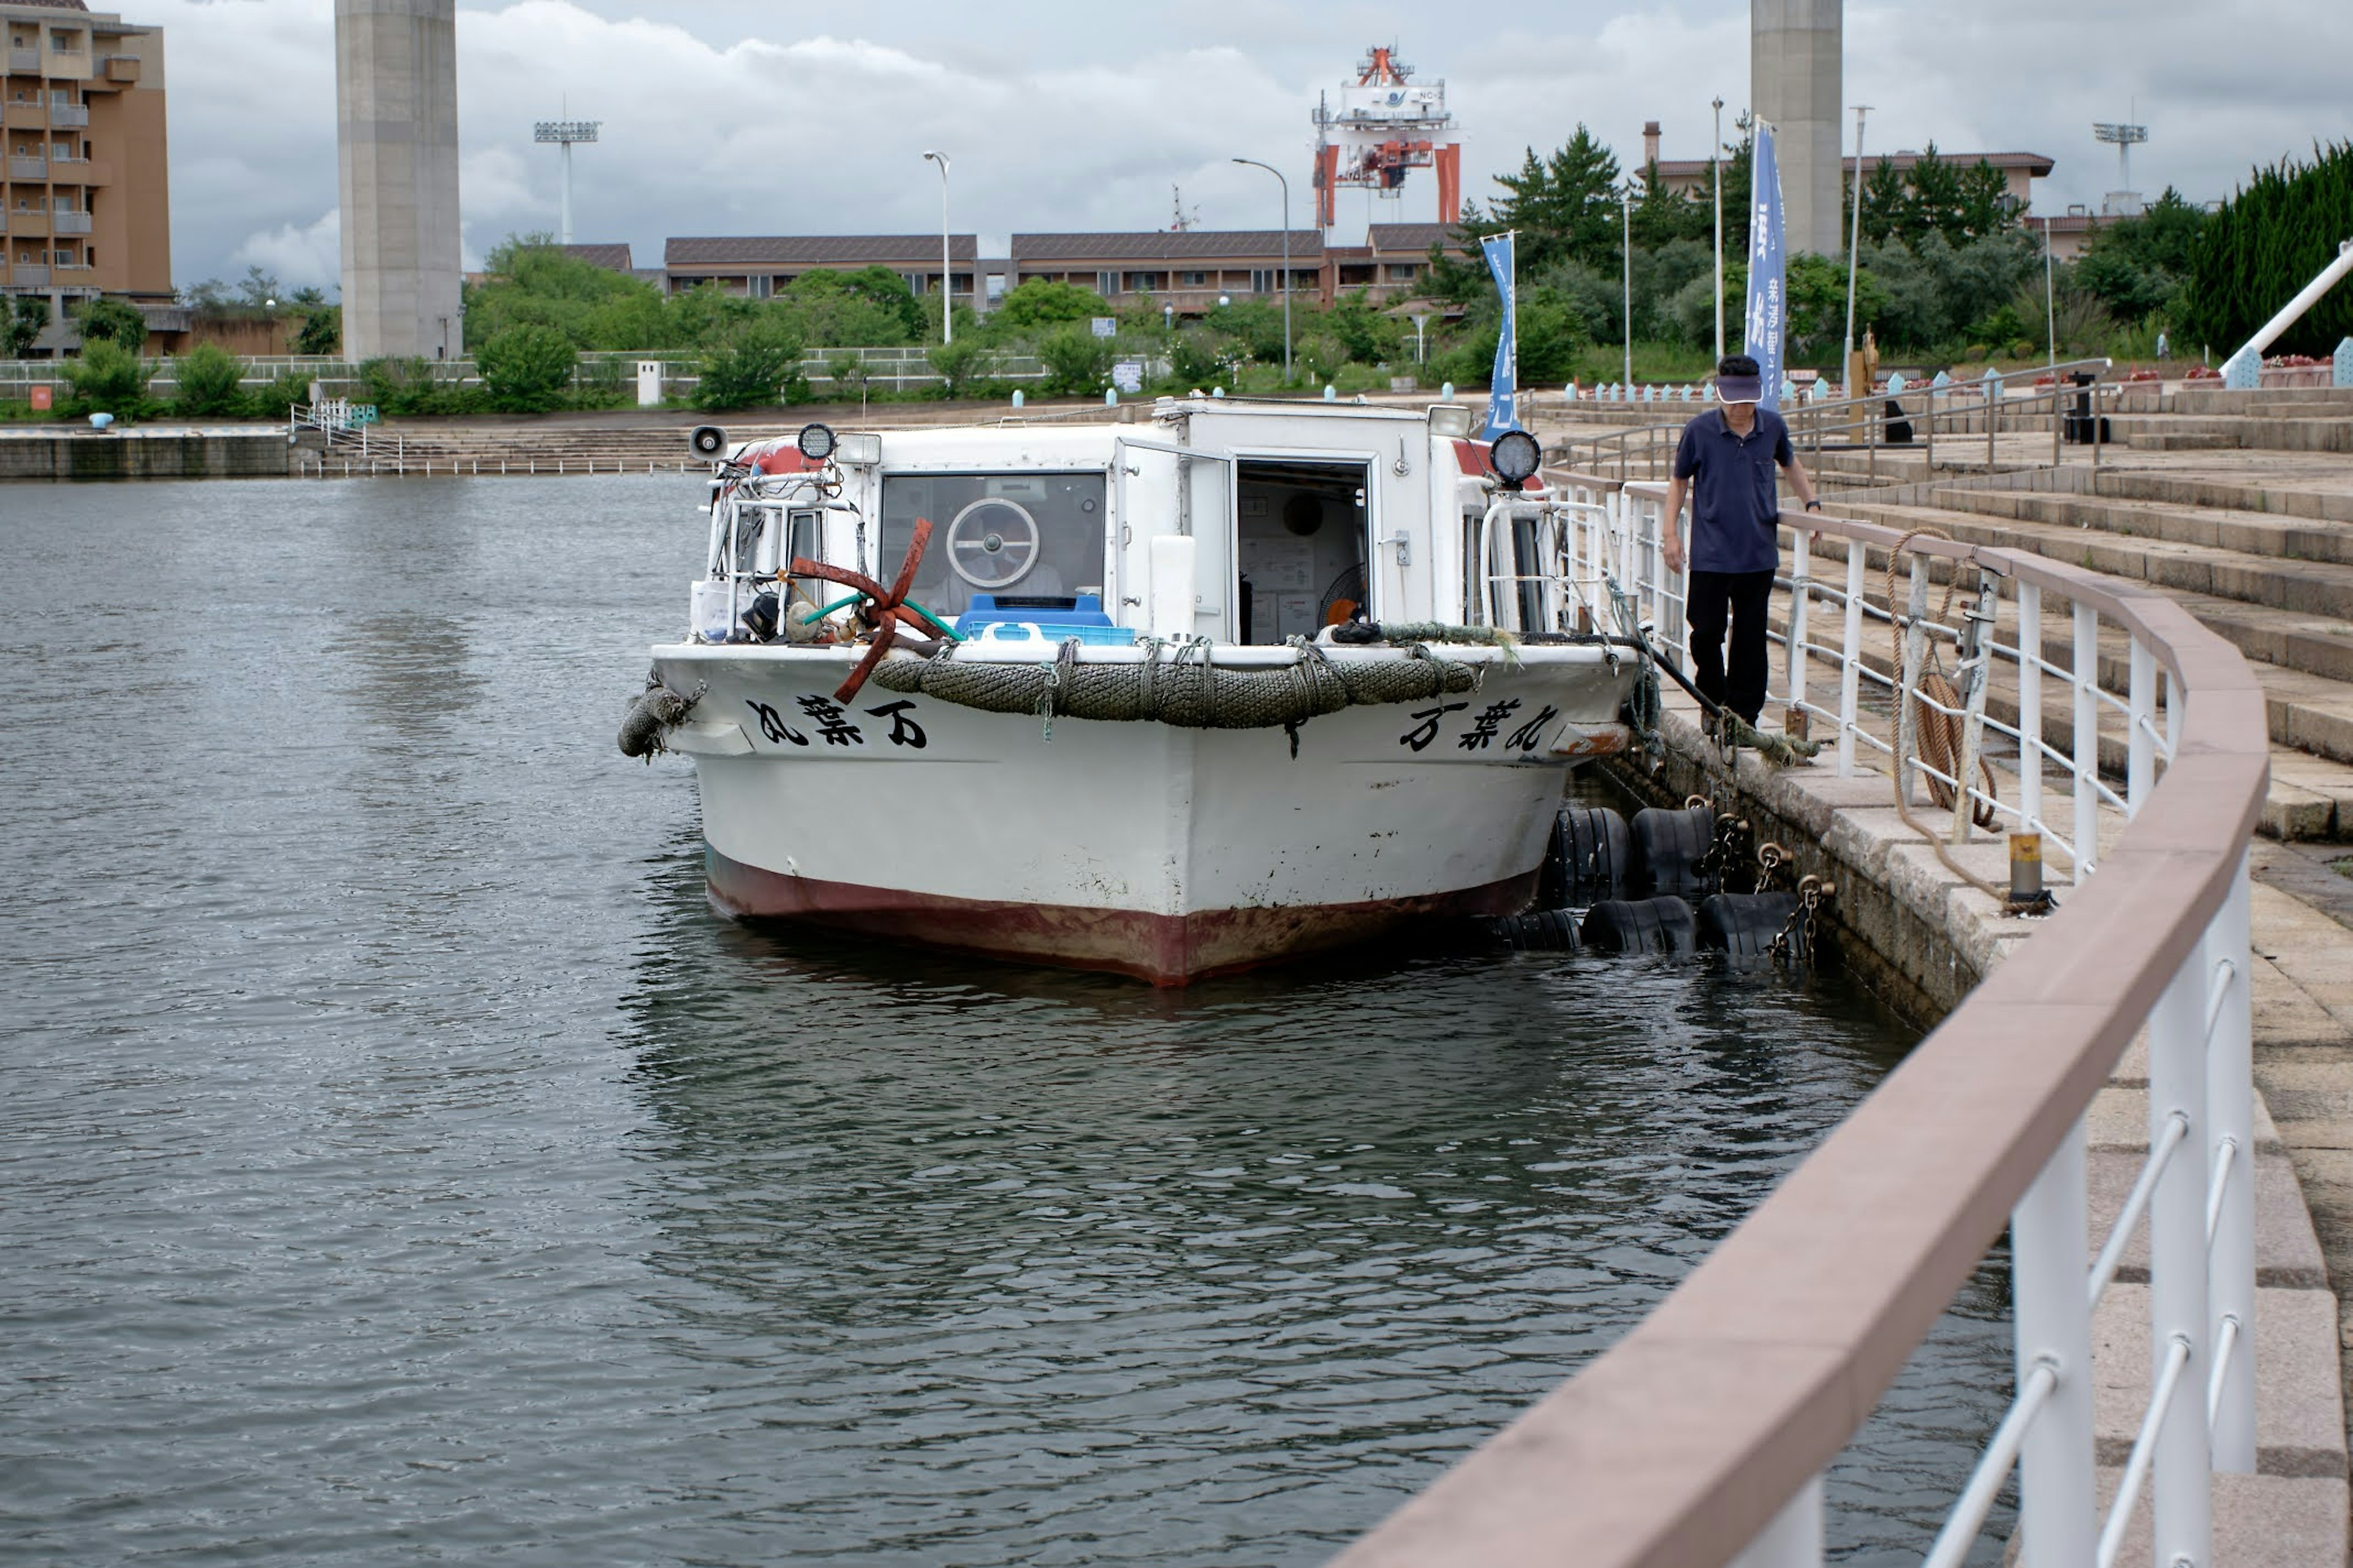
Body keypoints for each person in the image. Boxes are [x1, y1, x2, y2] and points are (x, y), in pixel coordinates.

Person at [1662, 354, 1823, 730]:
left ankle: (1743, 717)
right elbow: (1679, 481)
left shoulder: (1773, 427)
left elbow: (1791, 465)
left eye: (1747, 399)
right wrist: (1670, 534)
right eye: (1733, 399)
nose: (1740, 408)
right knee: (1705, 635)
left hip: (1758, 553)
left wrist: (1812, 503)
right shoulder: (1699, 430)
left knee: (1751, 640)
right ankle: (1713, 703)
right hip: (1711, 554)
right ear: (1720, 393)